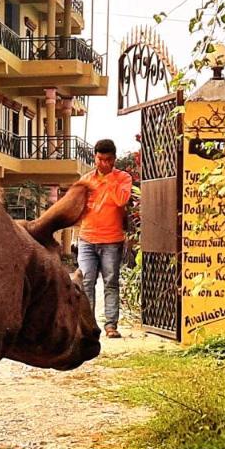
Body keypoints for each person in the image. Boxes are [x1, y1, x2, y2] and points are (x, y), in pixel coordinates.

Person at [75, 138, 133, 338]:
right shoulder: (85, 180)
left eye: (108, 160)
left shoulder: (123, 178)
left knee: (111, 282)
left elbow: (121, 200)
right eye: (100, 159)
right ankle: (87, 326)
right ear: (95, 157)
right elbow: (77, 206)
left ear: (114, 159)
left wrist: (108, 179)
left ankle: (111, 326)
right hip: (87, 239)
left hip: (111, 240)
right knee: (86, 282)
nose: (104, 164)